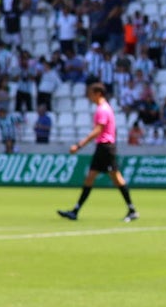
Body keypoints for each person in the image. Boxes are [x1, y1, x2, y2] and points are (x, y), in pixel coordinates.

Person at [57, 82, 139, 223]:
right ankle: (75, 210)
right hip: (105, 147)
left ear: (98, 93)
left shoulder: (102, 109)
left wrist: (79, 145)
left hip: (105, 147)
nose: (89, 97)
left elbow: (98, 130)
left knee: (115, 178)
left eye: (91, 93)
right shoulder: (105, 108)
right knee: (92, 177)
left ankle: (132, 210)